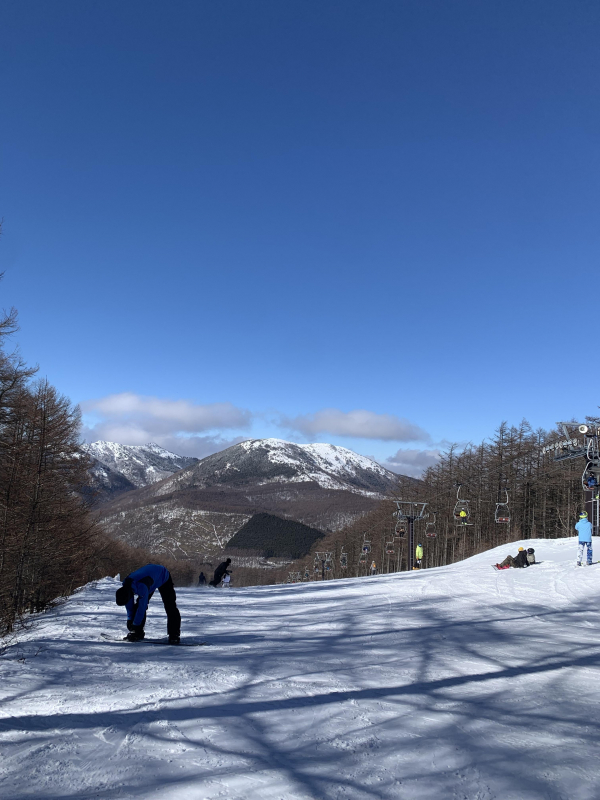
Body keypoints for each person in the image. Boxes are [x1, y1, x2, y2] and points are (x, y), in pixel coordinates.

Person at [115, 563, 181, 643]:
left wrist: (135, 624)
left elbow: (142, 607)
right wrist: (129, 619)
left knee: (170, 606)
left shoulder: (142, 587)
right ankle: (137, 633)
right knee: (138, 605)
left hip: (163, 576)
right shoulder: (126, 585)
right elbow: (129, 605)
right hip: (150, 578)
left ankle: (174, 635)